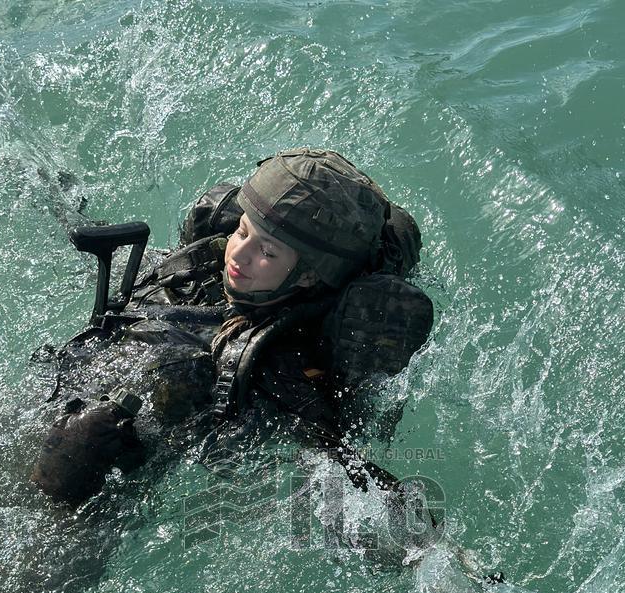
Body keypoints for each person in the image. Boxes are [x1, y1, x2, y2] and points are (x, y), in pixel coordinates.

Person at [30, 148, 435, 505]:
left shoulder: (283, 367)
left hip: (107, 468)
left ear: (309, 276)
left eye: (267, 251)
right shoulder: (205, 267)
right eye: (243, 230)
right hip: (65, 390)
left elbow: (349, 471)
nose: (239, 253)